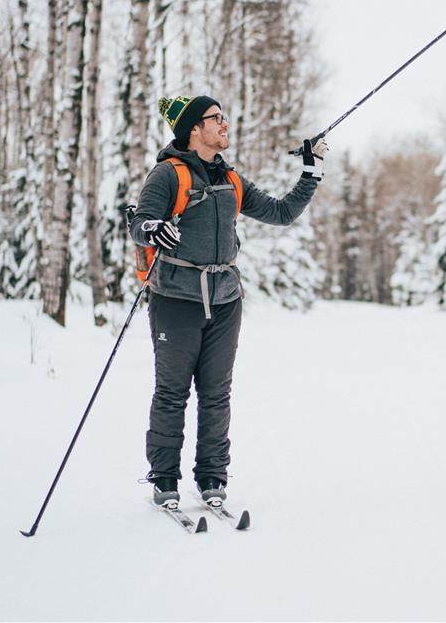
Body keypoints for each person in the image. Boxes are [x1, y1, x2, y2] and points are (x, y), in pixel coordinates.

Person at [130, 94, 327, 507]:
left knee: (217, 393)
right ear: (193, 129)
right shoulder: (168, 175)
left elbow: (280, 213)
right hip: (176, 299)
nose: (224, 123)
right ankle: (165, 478)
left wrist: (310, 171)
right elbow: (140, 222)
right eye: (215, 117)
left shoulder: (231, 179)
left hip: (225, 300)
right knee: (172, 393)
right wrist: (153, 228)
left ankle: (212, 477)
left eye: (224, 116)